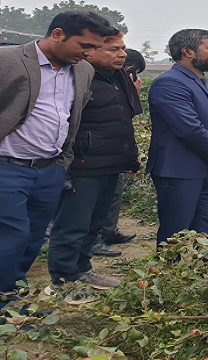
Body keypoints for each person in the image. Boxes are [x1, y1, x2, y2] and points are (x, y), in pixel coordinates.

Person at [0, 11, 116, 309]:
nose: (89, 53)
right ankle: (6, 302)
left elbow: (69, 116)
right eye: (85, 45)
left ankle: (12, 294)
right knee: (12, 235)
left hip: (50, 169)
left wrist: (61, 163)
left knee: (33, 238)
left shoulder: (82, 71)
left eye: (95, 47)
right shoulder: (8, 60)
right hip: (7, 166)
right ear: (57, 34)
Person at [46, 33, 142, 302]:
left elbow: (123, 122)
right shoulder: (74, 78)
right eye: (113, 50)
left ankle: (83, 268)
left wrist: (130, 158)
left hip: (110, 162)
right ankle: (63, 280)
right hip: (82, 163)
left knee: (94, 223)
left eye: (122, 49)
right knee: (73, 224)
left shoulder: (119, 77)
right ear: (89, 52)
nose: (122, 54)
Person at [147, 29, 208, 246]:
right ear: (188, 51)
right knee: (176, 229)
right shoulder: (170, 83)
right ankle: (169, 273)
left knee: (207, 224)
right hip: (180, 169)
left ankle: (201, 268)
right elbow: (188, 128)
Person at [90, 48, 146, 257]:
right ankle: (93, 240)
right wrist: (131, 92)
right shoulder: (99, 81)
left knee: (113, 193)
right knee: (93, 200)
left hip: (115, 151)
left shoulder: (116, 81)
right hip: (96, 152)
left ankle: (107, 231)